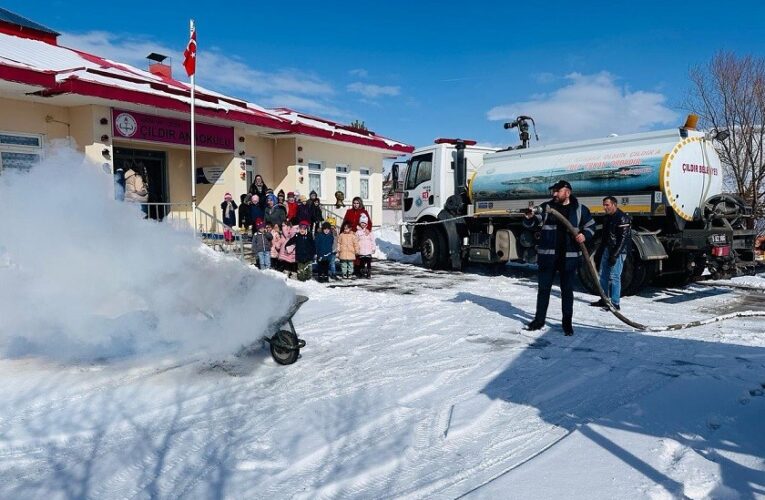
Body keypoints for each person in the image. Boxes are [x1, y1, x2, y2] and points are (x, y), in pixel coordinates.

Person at [524, 180, 596, 336]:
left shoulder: (579, 209)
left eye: (557, 191)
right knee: (543, 290)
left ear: (567, 192)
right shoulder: (546, 207)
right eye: (553, 191)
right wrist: (529, 218)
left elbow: (591, 226)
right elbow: (533, 224)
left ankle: (567, 323)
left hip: (569, 258)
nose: (554, 194)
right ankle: (539, 320)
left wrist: (585, 235)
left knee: (567, 292)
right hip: (548, 257)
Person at [591, 196, 631, 311]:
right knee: (603, 274)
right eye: (604, 205)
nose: (604, 207)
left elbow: (623, 240)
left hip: (618, 251)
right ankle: (604, 299)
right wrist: (600, 251)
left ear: (614, 205)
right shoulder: (607, 218)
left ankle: (615, 303)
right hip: (608, 249)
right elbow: (605, 237)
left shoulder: (622, 218)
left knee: (614, 277)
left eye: (607, 205)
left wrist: (615, 255)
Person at [356, 214, 376, 278]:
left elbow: (372, 240)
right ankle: (362, 273)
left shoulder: (369, 232)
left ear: (366, 223)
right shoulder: (358, 232)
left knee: (368, 263)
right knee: (361, 263)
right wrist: (357, 249)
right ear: (360, 223)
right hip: (361, 251)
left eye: (364, 223)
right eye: (362, 222)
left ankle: (368, 273)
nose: (363, 224)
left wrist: (373, 248)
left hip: (368, 251)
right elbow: (356, 241)